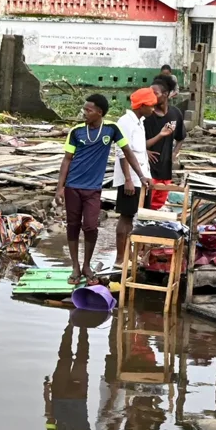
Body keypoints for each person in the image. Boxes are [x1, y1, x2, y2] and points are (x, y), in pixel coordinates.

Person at [55, 94, 150, 285]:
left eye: (88, 110)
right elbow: (67, 159)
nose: (84, 113)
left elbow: (127, 152)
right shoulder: (76, 132)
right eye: (84, 109)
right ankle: (75, 266)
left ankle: (87, 265)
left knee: (90, 226)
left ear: (99, 112)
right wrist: (60, 188)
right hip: (73, 186)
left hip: (93, 189)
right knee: (72, 226)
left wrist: (140, 176)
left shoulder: (111, 130)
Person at [114, 88, 158, 266]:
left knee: (136, 217)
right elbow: (122, 151)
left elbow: (140, 154)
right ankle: (119, 258)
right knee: (126, 216)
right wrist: (128, 179)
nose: (153, 109)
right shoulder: (125, 122)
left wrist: (145, 176)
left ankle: (131, 256)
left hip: (141, 178)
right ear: (142, 106)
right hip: (130, 179)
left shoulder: (140, 122)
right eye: (151, 106)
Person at [145, 75, 185, 210]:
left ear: (166, 94)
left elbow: (180, 137)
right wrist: (144, 151)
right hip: (148, 170)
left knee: (157, 206)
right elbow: (135, 142)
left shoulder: (175, 114)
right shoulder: (147, 115)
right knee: (145, 206)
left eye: (154, 94)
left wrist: (174, 154)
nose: (151, 97)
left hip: (165, 170)